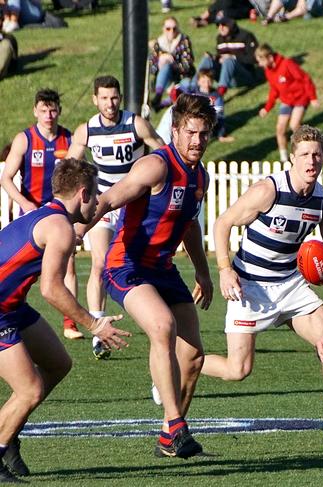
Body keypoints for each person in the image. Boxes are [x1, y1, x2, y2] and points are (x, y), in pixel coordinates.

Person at [202, 125, 323, 437]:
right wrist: (225, 270)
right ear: (292, 157)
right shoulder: (269, 191)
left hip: (290, 285)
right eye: (305, 154)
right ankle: (179, 365)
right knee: (237, 370)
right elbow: (222, 223)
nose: (312, 160)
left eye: (317, 155)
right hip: (250, 286)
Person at [77, 93, 215, 458]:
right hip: (127, 264)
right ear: (175, 130)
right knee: (162, 326)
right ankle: (176, 424)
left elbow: (188, 227)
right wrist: (80, 225)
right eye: (191, 132)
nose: (197, 141)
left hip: (164, 269)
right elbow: (110, 198)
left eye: (204, 134)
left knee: (194, 355)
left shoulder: (201, 177)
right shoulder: (157, 166)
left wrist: (204, 272)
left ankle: (170, 437)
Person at [0, 158, 129, 482]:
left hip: (11, 306)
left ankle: (9, 432)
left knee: (58, 364)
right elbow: (51, 289)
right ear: (83, 193)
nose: (99, 202)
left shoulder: (48, 216)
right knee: (28, 390)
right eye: (96, 195)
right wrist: (94, 324)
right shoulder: (59, 227)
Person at [67, 75, 164, 358]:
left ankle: (157, 320)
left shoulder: (136, 123)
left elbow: (164, 153)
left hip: (135, 204)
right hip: (104, 204)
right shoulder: (86, 131)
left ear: (120, 98)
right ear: (94, 99)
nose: (110, 104)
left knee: (146, 264)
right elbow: (69, 168)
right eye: (104, 98)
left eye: (114, 98)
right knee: (99, 264)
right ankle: (98, 330)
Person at [0, 89, 83, 341]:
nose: (49, 115)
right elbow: (6, 177)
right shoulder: (25, 139)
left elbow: (82, 176)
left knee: (68, 265)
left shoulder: (69, 139)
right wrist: (26, 204)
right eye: (44, 110)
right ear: (35, 111)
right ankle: (13, 311)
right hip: (33, 218)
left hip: (60, 216)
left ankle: (71, 324)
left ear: (59, 110)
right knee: (24, 269)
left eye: (53, 109)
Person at [255, 43, 319, 163]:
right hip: (287, 101)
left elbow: (305, 78)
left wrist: (313, 97)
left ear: (269, 57)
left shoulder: (287, 64)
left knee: (294, 125)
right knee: (280, 129)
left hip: (300, 98)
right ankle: (284, 159)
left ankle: (305, 150)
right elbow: (274, 90)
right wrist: (267, 108)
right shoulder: (268, 71)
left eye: (260, 60)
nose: (259, 64)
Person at [157, 69, 235, 144]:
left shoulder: (216, 96)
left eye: (209, 81)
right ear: (198, 81)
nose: (206, 84)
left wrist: (220, 133)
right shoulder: (193, 92)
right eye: (204, 81)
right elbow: (178, 93)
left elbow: (219, 115)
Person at [195, 17, 260, 99]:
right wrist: (214, 57)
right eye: (218, 25)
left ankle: (218, 96)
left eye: (223, 25)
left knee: (229, 61)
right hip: (225, 76)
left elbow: (255, 59)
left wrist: (233, 57)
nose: (220, 28)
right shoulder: (220, 38)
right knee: (207, 59)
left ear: (231, 25)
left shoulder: (246, 36)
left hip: (244, 77)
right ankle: (192, 87)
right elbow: (220, 56)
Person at [148, 17, 195, 112]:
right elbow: (151, 67)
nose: (171, 31)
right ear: (163, 29)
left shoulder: (184, 40)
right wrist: (160, 61)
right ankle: (158, 95)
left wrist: (173, 63)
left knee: (186, 89)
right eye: (168, 28)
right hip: (164, 79)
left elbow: (188, 65)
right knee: (166, 65)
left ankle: (162, 104)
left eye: (174, 28)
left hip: (182, 77)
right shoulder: (158, 43)